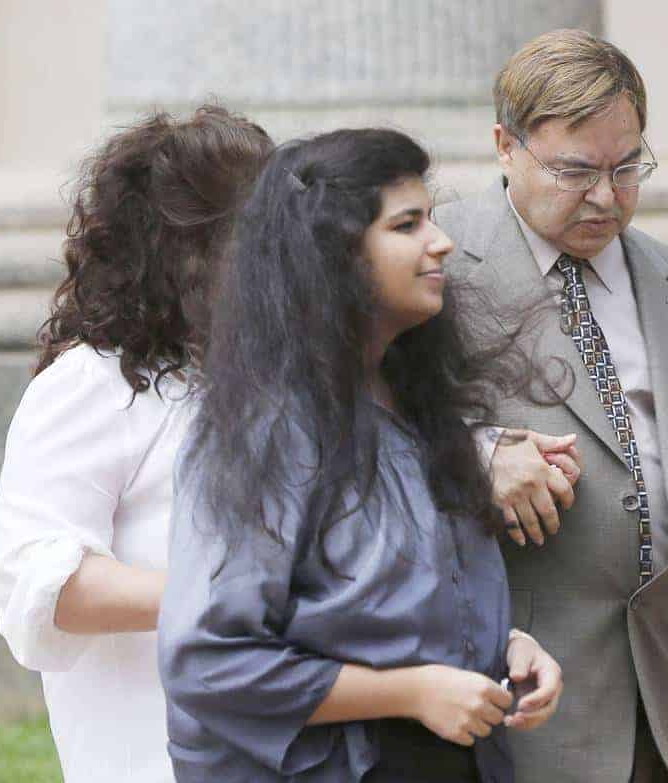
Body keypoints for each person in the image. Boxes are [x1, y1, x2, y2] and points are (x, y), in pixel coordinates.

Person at [434, 29, 668, 783]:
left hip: (662, 695)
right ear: (505, 147)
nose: (606, 196)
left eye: (627, 167)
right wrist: (478, 451)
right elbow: (358, 431)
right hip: (505, 690)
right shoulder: (435, 260)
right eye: (575, 170)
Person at [157, 128, 566, 783]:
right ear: (334, 254)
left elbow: (388, 606)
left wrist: (504, 647)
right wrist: (410, 692)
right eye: (406, 225)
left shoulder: (415, 400)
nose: (441, 241)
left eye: (431, 218)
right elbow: (206, 658)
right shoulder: (269, 426)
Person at [0, 106, 274, 783]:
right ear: (186, 252)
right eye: (258, 236)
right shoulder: (90, 384)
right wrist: (222, 596)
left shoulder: (263, 378)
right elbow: (40, 581)